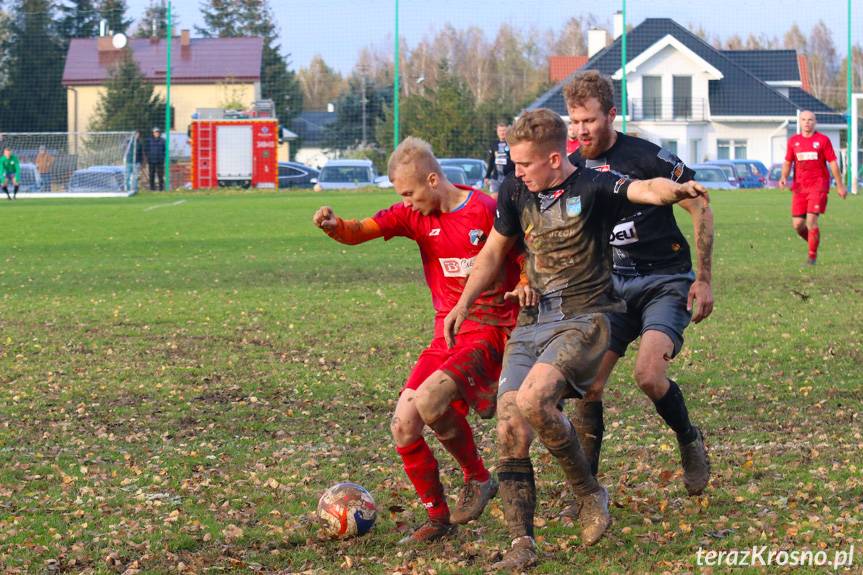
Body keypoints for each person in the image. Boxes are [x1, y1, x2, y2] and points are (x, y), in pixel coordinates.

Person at [444, 109, 708, 570]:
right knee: (509, 427)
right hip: (533, 319)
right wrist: (463, 303)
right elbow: (492, 253)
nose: (516, 171)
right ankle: (521, 545)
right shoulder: (514, 190)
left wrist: (677, 190)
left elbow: (644, 189)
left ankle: (588, 493)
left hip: (586, 317)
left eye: (524, 164)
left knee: (536, 400)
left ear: (553, 157)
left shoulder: (594, 185)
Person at [312, 137, 521, 544]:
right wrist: (335, 227)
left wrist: (527, 284)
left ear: (432, 179)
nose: (405, 202)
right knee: (403, 425)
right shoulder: (413, 216)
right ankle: (438, 518)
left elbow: (525, 256)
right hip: (447, 332)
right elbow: (362, 230)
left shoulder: (485, 210)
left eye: (409, 193)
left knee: (428, 402)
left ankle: (478, 477)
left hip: (492, 330)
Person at [552, 70, 714, 506]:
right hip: (613, 287)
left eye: (589, 120)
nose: (581, 130)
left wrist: (704, 278)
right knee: (589, 385)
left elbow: (699, 201)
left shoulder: (645, 156)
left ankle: (689, 439)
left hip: (666, 281)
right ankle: (587, 489)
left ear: (611, 114)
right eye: (574, 121)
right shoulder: (573, 167)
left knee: (648, 374)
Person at [779, 110, 847, 265]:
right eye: (804, 120)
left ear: (814, 122)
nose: (807, 122)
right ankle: (813, 241)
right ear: (800, 122)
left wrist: (840, 185)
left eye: (810, 120)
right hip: (799, 187)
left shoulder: (823, 140)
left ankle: (812, 257)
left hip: (818, 186)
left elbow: (833, 163)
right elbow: (788, 162)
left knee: (811, 222)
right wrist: (783, 177)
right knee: (797, 225)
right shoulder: (793, 141)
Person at [484, 121, 515, 198]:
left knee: (508, 198)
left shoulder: (512, 143)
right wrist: (487, 176)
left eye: (504, 130)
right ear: (497, 132)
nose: (502, 133)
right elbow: (491, 161)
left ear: (507, 131)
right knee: (494, 197)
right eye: (500, 131)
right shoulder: (494, 144)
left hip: (509, 176)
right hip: (496, 178)